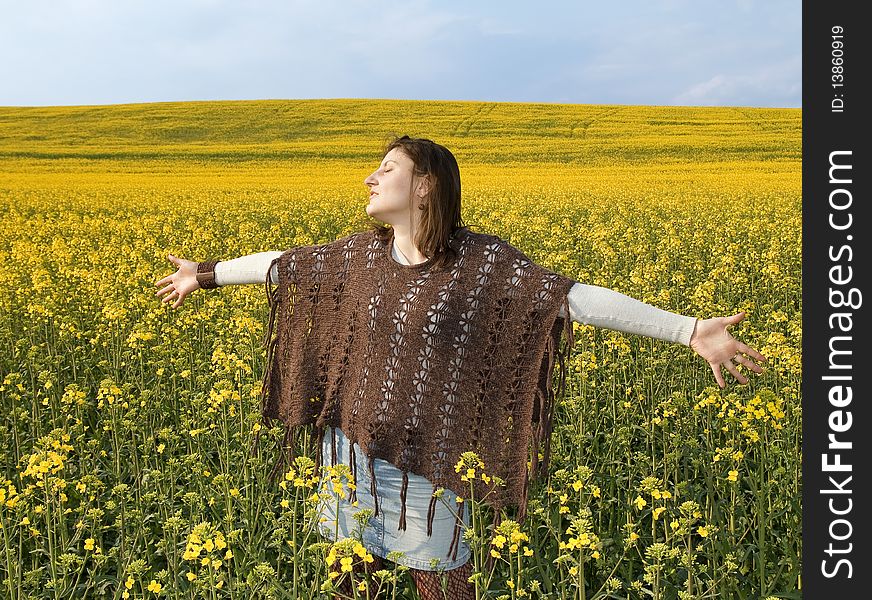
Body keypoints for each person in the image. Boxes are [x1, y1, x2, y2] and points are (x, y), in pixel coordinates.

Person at [154, 135, 766, 599]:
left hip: (436, 459)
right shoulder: (360, 256)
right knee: (349, 580)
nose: (370, 178)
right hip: (349, 452)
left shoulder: (479, 266)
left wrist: (688, 331)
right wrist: (203, 275)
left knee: (445, 586)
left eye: (387, 169)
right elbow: (281, 265)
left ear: (425, 185)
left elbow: (570, 298)